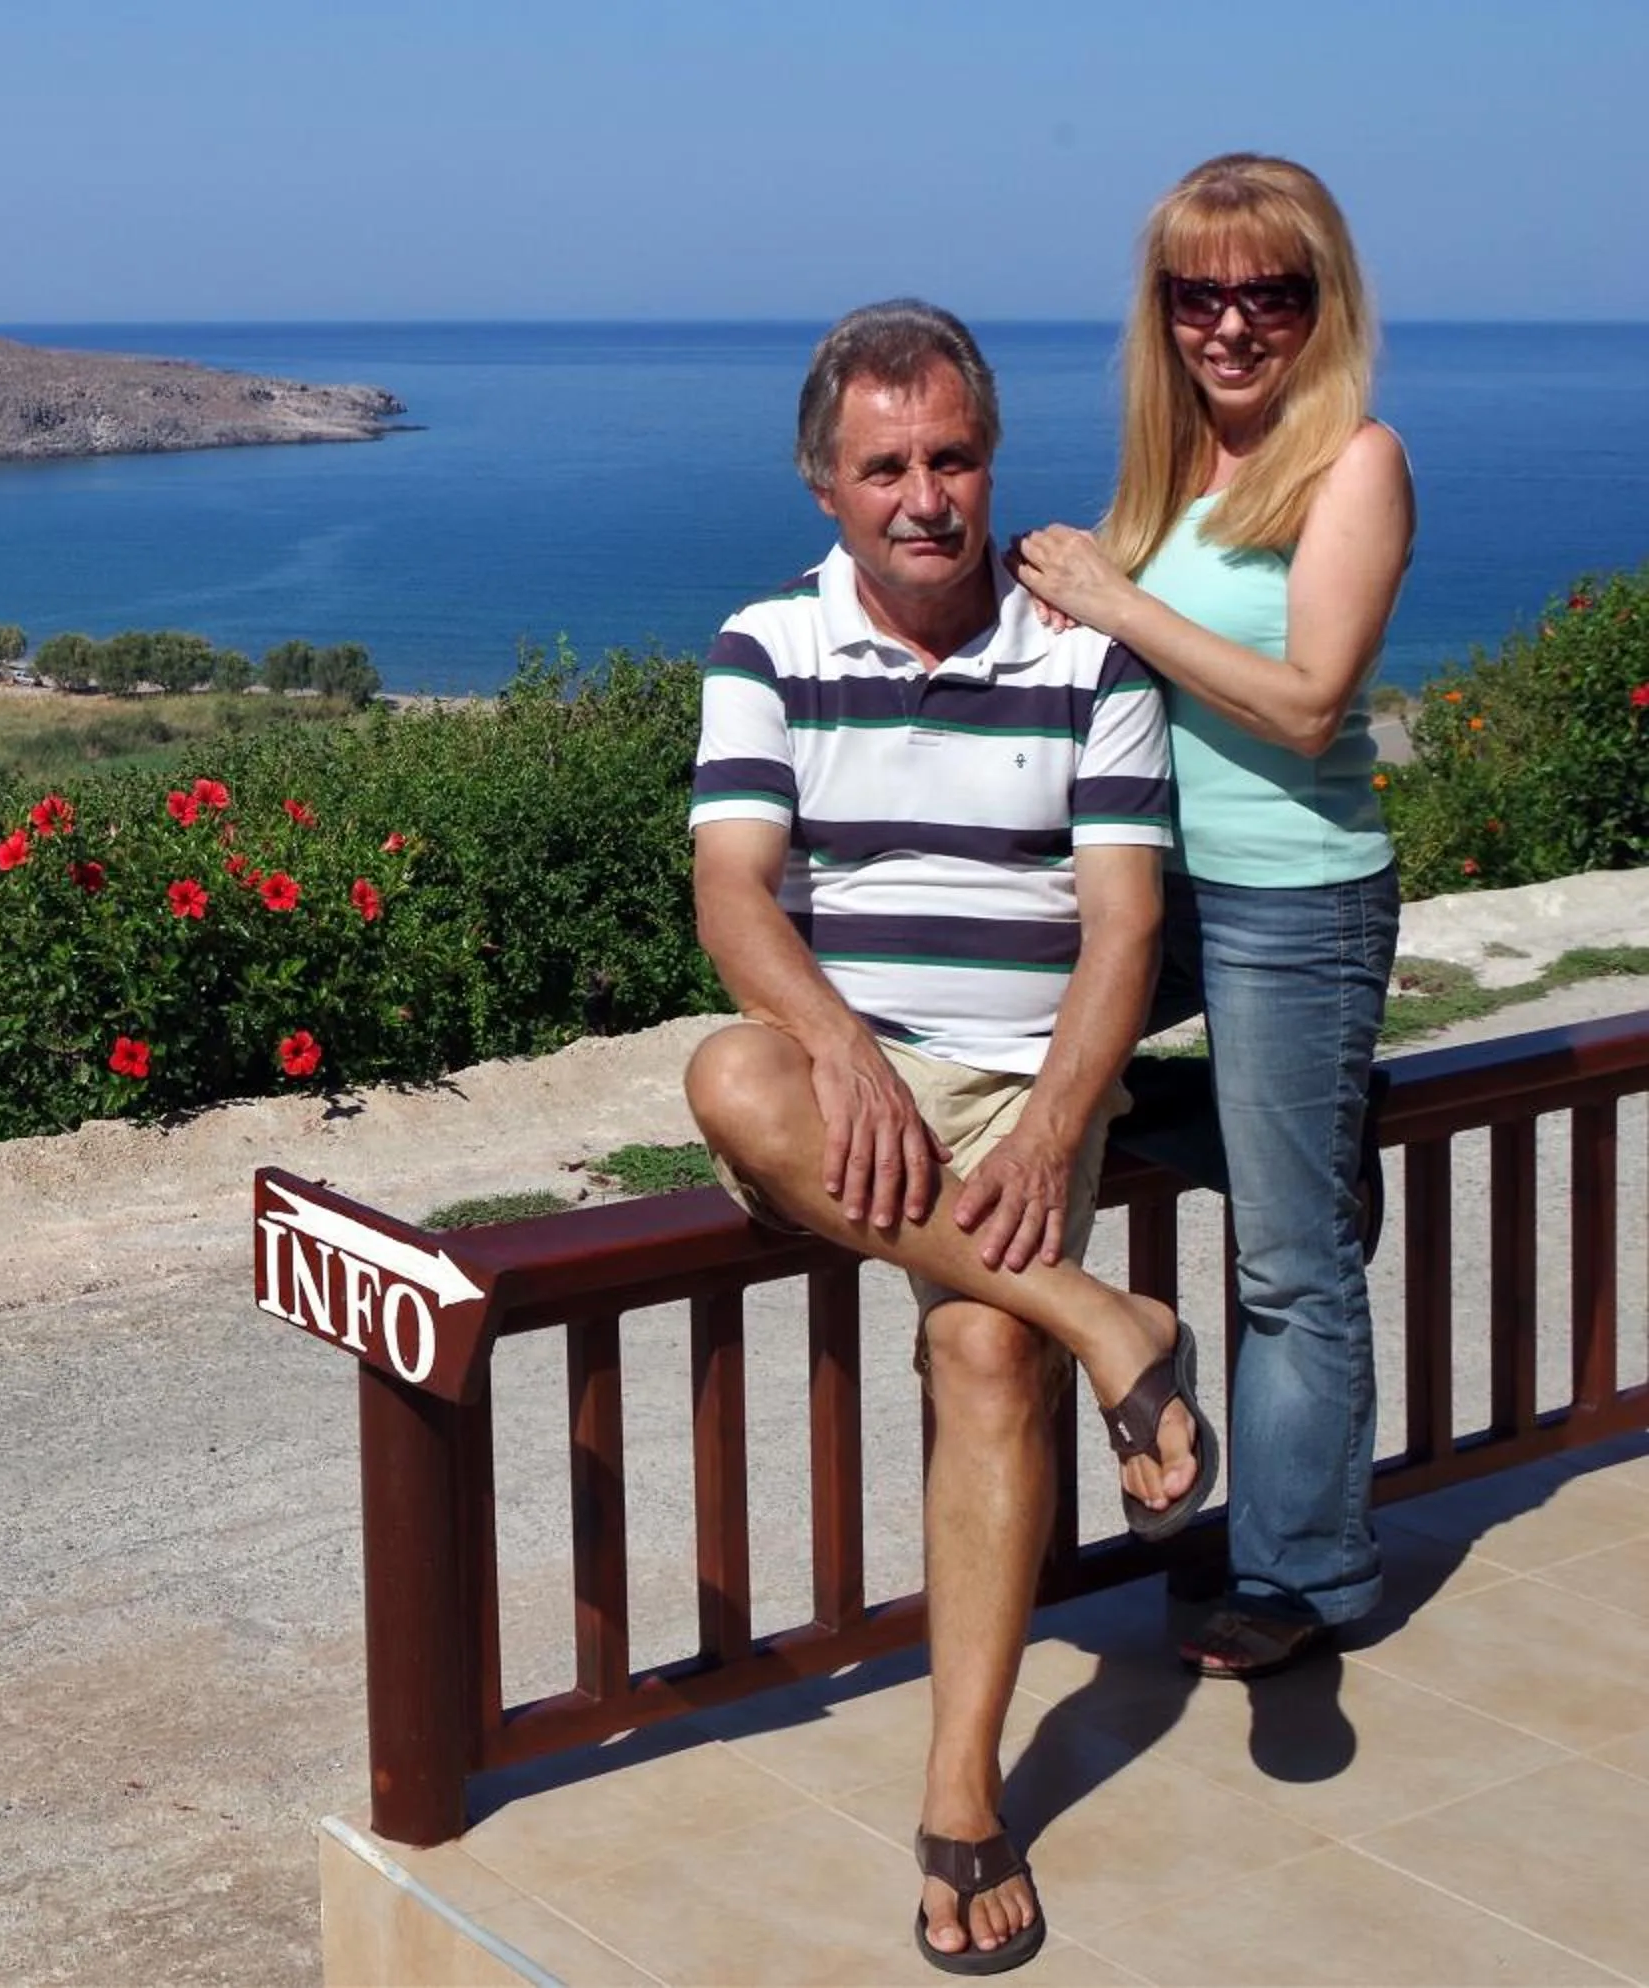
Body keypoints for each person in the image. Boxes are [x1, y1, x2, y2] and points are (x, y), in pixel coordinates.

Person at [686, 300, 1215, 1975]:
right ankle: (1104, 1317)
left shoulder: (1087, 649)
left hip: (1031, 1069)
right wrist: (839, 1043)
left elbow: (1123, 926)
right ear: (823, 485)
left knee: (982, 1359)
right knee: (729, 1079)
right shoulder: (766, 645)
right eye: (885, 465)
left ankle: (962, 1799)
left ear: (990, 461)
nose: (925, 495)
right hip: (853, 1072)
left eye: (953, 457)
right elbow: (731, 892)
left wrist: (1059, 1121)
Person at [1010, 154, 1411, 1681]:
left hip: (1297, 898)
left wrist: (1121, 602)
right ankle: (1308, 1118)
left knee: (1289, 1264)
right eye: (1203, 294)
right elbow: (1139, 670)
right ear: (1164, 306)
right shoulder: (1175, 471)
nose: (1233, 325)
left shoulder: (1356, 463)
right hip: (1162, 886)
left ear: (1323, 305)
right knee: (1025, 1078)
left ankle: (1302, 1574)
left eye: (1271, 294)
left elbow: (1308, 706)